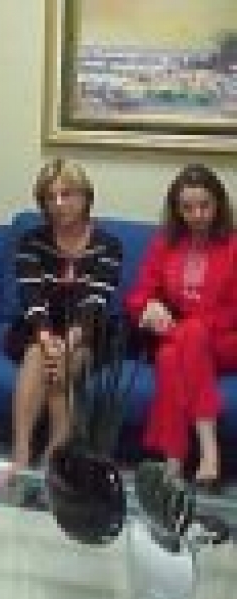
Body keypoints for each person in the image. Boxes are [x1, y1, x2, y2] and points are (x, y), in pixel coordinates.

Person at [125, 164, 237, 493]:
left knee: (193, 333)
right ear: (177, 209)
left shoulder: (233, 246)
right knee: (169, 357)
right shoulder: (165, 243)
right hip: (179, 338)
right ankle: (176, 461)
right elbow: (138, 295)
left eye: (204, 206)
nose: (197, 215)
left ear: (218, 205)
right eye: (187, 208)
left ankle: (203, 450)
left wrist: (192, 324)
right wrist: (150, 307)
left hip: (224, 341)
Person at [5, 159, 123, 470]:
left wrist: (68, 343)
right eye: (50, 197)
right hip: (39, 326)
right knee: (37, 355)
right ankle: (20, 453)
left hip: (87, 330)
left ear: (85, 197)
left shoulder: (108, 245)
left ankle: (54, 455)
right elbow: (31, 297)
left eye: (67, 194)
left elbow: (95, 302)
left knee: (65, 363)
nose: (58, 204)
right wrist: (47, 339)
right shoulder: (31, 241)